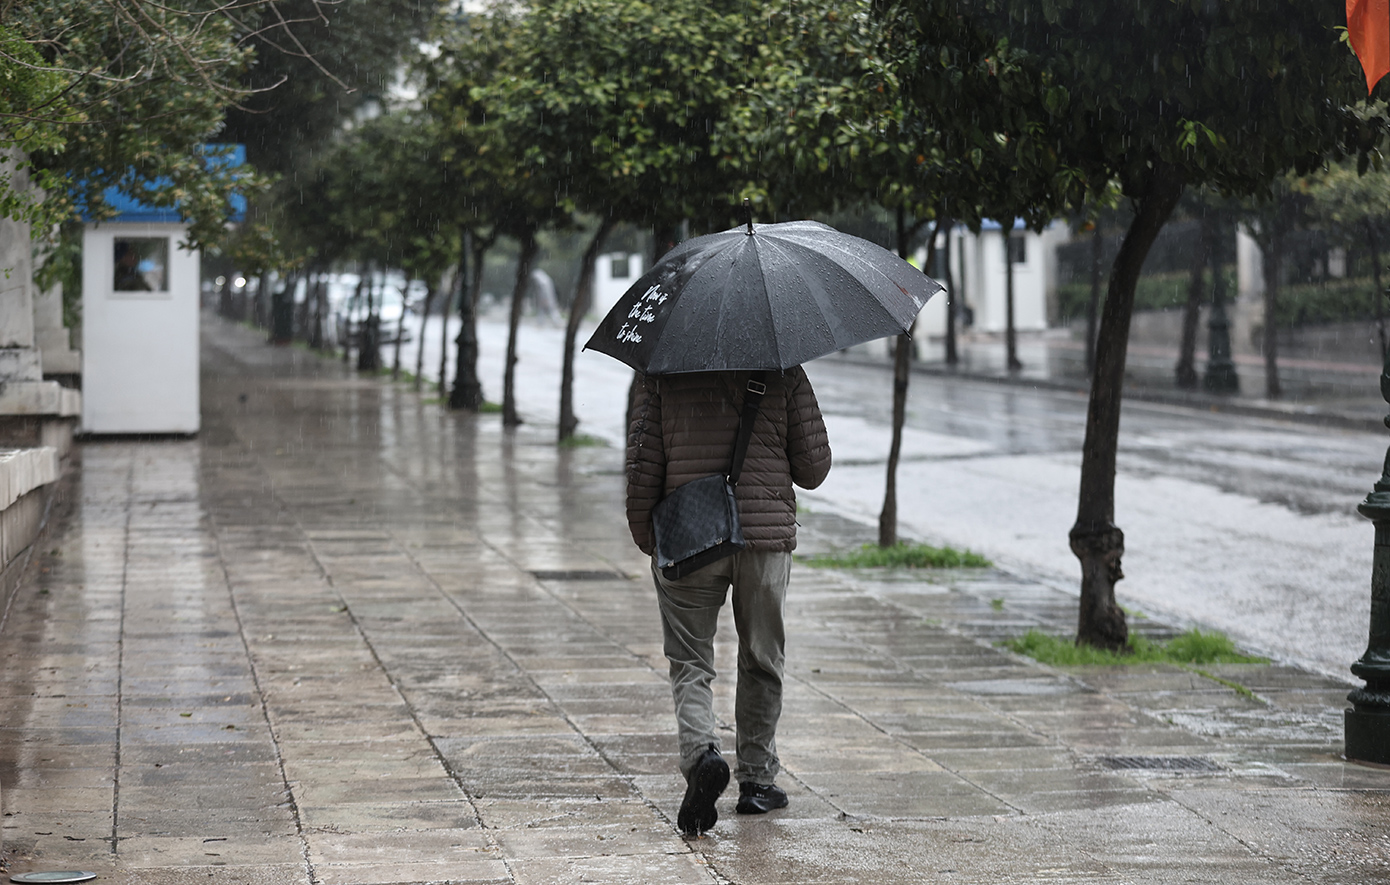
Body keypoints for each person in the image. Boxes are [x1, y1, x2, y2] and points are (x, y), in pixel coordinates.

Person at [626, 367, 831, 836]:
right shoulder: (782, 365)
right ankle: (757, 782)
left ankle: (702, 756)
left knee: (690, 660)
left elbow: (643, 466)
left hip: (689, 530)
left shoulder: (661, 369)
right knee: (762, 657)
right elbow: (814, 469)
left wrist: (648, 537)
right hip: (763, 538)